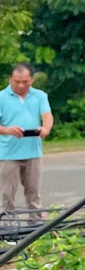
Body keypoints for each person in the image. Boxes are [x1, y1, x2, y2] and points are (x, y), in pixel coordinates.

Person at [0, 63, 54, 221]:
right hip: (8, 153)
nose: (21, 85)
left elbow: (47, 116)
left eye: (25, 81)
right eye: (17, 81)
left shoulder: (40, 96)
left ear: (32, 80)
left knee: (33, 192)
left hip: (32, 151)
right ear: (10, 79)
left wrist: (45, 128)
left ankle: (35, 224)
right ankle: (8, 226)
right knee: (7, 193)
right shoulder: (2, 97)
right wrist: (8, 130)